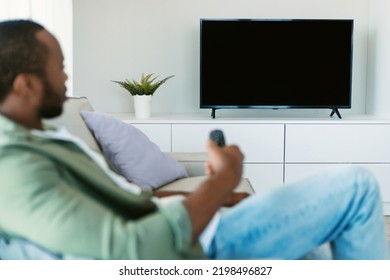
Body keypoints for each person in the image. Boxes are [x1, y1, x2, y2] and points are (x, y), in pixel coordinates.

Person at [0, 19, 388, 260]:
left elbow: (129, 202)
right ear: (26, 85)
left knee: (323, 245)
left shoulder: (42, 137)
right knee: (358, 188)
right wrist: (223, 179)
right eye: (61, 68)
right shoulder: (13, 165)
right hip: (195, 246)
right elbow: (135, 249)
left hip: (198, 225)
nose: (67, 80)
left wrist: (219, 196)